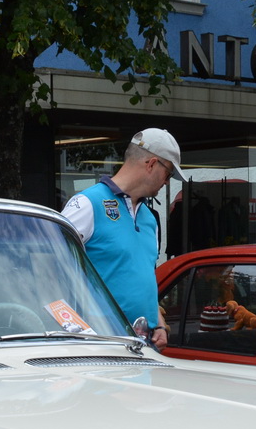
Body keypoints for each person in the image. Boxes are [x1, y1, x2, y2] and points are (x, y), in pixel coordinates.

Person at [62, 129, 182, 346]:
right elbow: (52, 271)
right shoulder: (87, 204)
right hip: (101, 345)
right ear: (151, 164)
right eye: (169, 173)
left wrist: (160, 323)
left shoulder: (149, 218)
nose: (167, 182)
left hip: (144, 344)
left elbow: (145, 277)